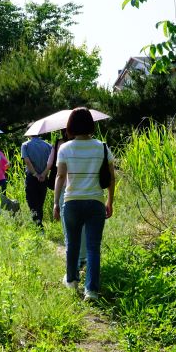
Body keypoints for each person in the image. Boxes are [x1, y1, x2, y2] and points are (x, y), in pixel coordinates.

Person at [53, 108, 115, 301]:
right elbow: (112, 178)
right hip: (95, 201)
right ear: (91, 125)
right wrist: (110, 201)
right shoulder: (102, 147)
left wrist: (56, 202)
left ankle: (71, 281)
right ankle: (91, 291)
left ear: (70, 126)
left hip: (72, 202)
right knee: (93, 248)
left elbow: (60, 176)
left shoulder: (65, 148)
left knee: (72, 244)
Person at [46, 130, 87, 272]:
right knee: (82, 225)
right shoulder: (85, 144)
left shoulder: (58, 144)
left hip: (65, 189)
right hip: (82, 187)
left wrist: (55, 201)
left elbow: (52, 165)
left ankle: (72, 264)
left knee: (67, 225)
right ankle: (82, 258)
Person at [21, 132, 52, 227]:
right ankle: (39, 223)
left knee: (31, 201)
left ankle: (37, 225)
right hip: (44, 177)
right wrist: (43, 174)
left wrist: (35, 174)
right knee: (40, 201)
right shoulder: (48, 146)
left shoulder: (25, 145)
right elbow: (50, 163)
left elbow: (27, 161)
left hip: (31, 177)